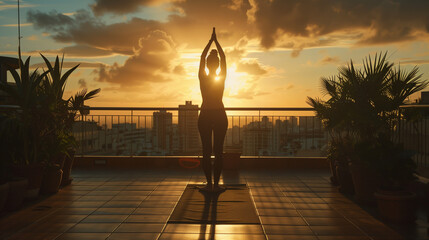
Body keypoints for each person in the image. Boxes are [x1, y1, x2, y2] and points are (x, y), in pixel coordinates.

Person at [198, 27, 228, 192]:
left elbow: (203, 57)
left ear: (209, 64)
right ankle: (214, 185)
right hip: (218, 115)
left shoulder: (203, 77)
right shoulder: (221, 77)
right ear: (215, 64)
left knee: (207, 151)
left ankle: (211, 184)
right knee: (218, 151)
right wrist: (215, 41)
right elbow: (223, 57)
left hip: (207, 115)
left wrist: (211, 42)